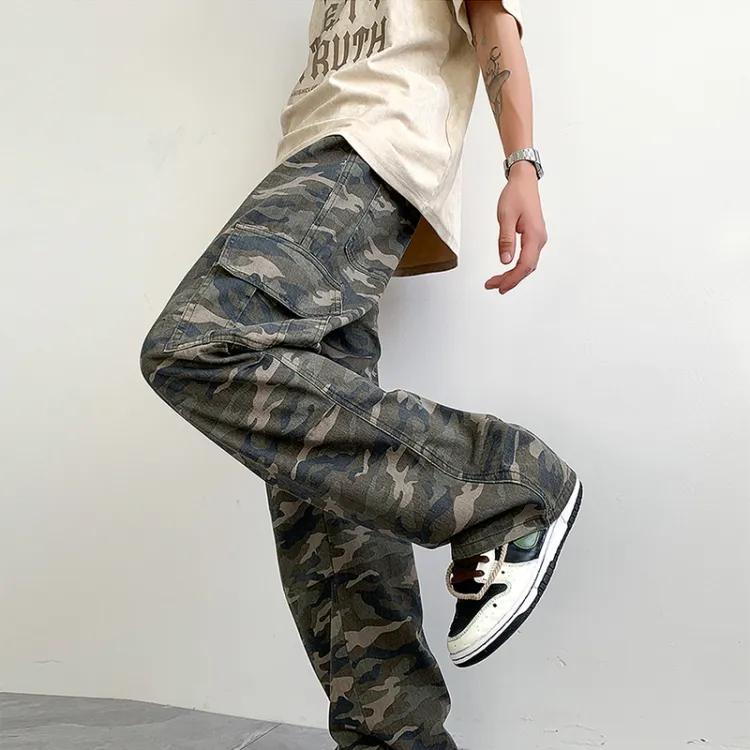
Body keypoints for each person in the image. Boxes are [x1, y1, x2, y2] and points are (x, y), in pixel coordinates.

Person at [140, 1, 582, 748]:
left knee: (196, 345)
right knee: (323, 495)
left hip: (361, 158)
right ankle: (396, 737)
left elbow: (493, 24)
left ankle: (508, 485)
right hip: (315, 171)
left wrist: (522, 166)